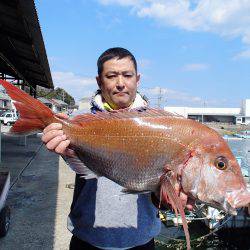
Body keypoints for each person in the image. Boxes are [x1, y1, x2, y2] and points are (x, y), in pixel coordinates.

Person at [42, 47, 192, 250]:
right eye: (111, 76)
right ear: (99, 81)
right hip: (87, 240)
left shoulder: (160, 123)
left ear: (137, 79)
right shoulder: (81, 122)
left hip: (140, 242)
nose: (120, 83)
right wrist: (63, 148)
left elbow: (159, 195)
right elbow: (79, 167)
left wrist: (170, 199)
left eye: (127, 75)